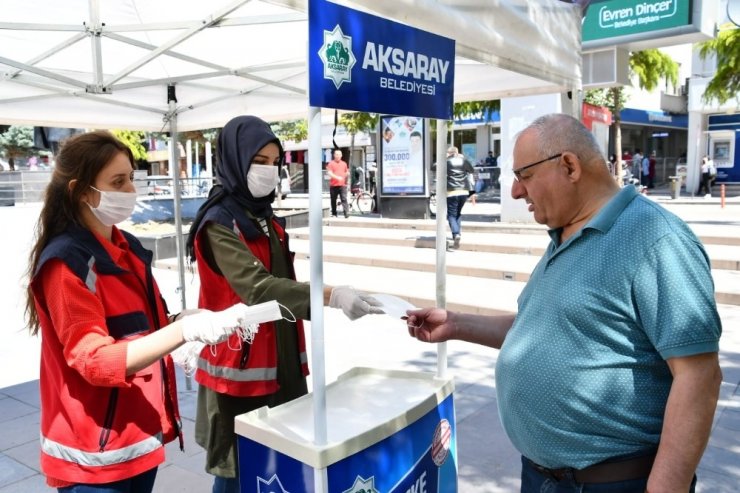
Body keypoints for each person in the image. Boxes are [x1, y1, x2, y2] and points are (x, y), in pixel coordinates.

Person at [405, 114, 722, 493]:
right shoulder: (566, 232)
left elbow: (699, 376)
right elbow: (540, 328)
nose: (515, 192)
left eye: (524, 176)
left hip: (613, 482)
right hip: (545, 478)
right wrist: (456, 324)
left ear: (569, 166)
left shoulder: (657, 240)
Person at [25, 130, 250, 492]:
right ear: (82, 191)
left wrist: (183, 321)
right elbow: (95, 360)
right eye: (118, 181)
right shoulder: (66, 264)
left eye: (131, 177)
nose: (130, 190)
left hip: (136, 437)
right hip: (93, 454)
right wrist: (181, 333)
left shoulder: (126, 246)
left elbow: (149, 326)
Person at [186, 115, 383, 493]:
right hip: (240, 369)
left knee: (277, 464)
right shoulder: (218, 224)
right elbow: (258, 288)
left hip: (281, 359)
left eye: (274, 162)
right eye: (258, 161)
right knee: (237, 471)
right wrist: (331, 295)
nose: (268, 171)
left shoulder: (263, 217)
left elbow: (283, 283)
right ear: (235, 159)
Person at [444, 146, 475, 249]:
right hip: (464, 191)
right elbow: (471, 170)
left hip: (452, 191)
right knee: (458, 213)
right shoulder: (463, 160)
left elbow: (434, 167)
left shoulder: (446, 162)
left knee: (451, 215)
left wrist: (445, 158)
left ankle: (456, 233)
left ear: (449, 153)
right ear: (457, 153)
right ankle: (457, 235)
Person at [327, 149, 350, 218]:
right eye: (336, 154)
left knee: (344, 199)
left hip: (342, 185)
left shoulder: (344, 163)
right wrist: (337, 178)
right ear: (334, 155)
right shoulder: (331, 163)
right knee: (333, 200)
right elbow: (329, 173)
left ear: (341, 155)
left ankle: (346, 213)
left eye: (339, 154)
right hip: (333, 185)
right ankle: (334, 213)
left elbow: (346, 172)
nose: (337, 156)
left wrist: (347, 175)